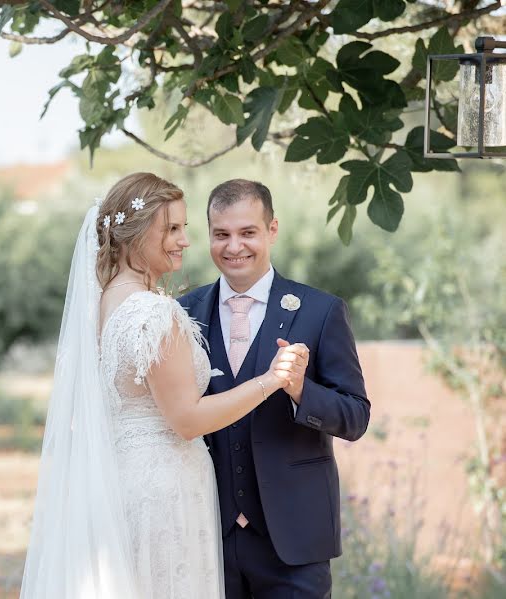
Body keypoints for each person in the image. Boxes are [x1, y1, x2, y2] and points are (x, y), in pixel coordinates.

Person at [19, 173, 309, 599]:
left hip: (123, 482)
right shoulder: (154, 314)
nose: (184, 241)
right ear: (136, 234)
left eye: (184, 228)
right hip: (164, 493)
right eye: (171, 229)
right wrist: (272, 380)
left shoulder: (100, 304)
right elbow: (187, 420)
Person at [177, 179, 371, 598]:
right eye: (221, 234)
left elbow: (356, 417)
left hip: (294, 543)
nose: (234, 247)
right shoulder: (182, 314)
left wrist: (302, 390)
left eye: (247, 232)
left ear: (272, 230)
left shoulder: (320, 311)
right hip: (207, 536)